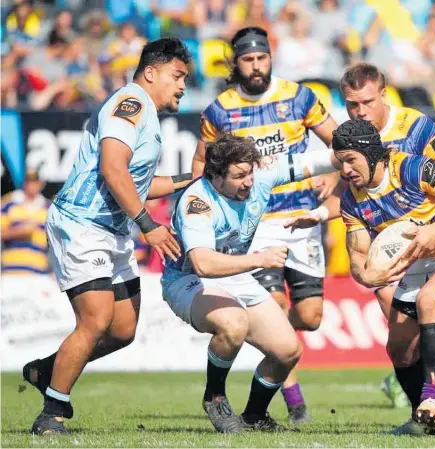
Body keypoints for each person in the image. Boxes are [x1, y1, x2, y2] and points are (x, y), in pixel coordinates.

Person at [21, 37, 194, 436]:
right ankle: (51, 415)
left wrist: (194, 177)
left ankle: (47, 369)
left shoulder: (147, 116)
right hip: (82, 224)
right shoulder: (129, 104)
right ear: (151, 72)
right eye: (177, 75)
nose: (182, 85)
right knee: (96, 320)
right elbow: (113, 168)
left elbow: (138, 184)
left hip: (111, 230)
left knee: (122, 330)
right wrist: (148, 225)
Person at [191, 26, 338, 423]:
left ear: (270, 57)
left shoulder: (300, 96)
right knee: (274, 305)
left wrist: (335, 176)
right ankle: (291, 397)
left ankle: (279, 345)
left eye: (261, 58)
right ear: (235, 63)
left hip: (302, 218)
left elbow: (340, 142)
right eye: (247, 59)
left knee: (309, 317)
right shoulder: (218, 110)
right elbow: (201, 168)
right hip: (253, 225)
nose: (256, 66)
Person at [162, 134, 340, 433]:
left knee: (287, 350)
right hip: (188, 279)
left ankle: (255, 415)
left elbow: (317, 161)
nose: (248, 182)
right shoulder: (198, 203)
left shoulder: (259, 175)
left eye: (250, 173)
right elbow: (203, 263)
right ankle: (215, 396)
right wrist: (259, 260)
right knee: (234, 323)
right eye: (238, 176)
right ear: (216, 177)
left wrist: (354, 154)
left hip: (235, 274)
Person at [335, 118, 435, 435]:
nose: (346, 170)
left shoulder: (411, 169)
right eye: (340, 162)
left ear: (368, 152)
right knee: (399, 348)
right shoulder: (352, 200)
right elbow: (358, 254)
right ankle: (424, 418)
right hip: (421, 264)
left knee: (430, 301)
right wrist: (367, 275)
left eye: (350, 159)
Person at [1, 169, 50, 275]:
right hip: (11, 270)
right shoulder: (8, 204)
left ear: (41, 184)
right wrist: (19, 231)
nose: (31, 185)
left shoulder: (49, 209)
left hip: (39, 272)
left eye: (34, 182)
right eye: (28, 181)